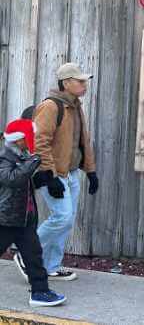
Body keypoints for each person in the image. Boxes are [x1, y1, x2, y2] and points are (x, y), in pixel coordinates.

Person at [21, 63, 98, 282]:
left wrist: (90, 172)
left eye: (85, 81)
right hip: (53, 174)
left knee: (67, 220)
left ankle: (51, 266)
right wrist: (50, 174)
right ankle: (26, 253)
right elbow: (39, 141)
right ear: (66, 83)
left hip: (71, 173)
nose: (85, 85)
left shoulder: (75, 106)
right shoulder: (51, 106)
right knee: (62, 217)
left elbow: (82, 141)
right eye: (80, 81)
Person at [0, 118, 66, 307]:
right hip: (5, 220)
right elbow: (12, 179)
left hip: (24, 219)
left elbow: (22, 185)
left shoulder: (22, 155)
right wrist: (36, 158)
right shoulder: (4, 156)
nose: (34, 138)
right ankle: (40, 291)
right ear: (20, 139)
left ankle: (40, 292)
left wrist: (41, 179)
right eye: (31, 135)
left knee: (34, 256)